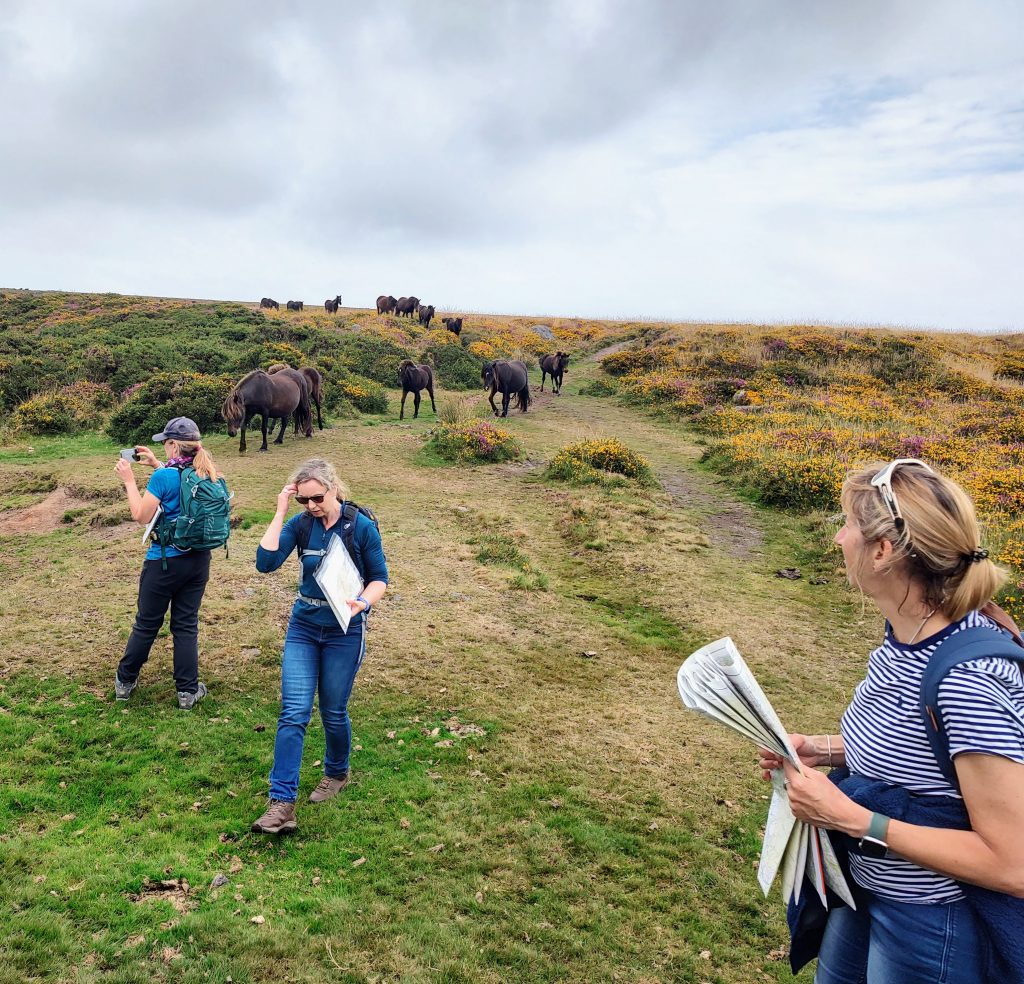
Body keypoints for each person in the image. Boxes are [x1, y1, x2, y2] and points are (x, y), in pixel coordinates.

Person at [758, 458, 1024, 983]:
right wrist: (826, 749)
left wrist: (852, 818)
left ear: (883, 551)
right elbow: (923, 751)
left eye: (848, 524)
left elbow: (1011, 862)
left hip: (931, 920)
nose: (838, 538)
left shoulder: (970, 682)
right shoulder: (909, 633)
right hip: (866, 887)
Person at [252, 457, 388, 835]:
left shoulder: (360, 526)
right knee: (294, 711)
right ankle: (281, 803)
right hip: (304, 627)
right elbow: (265, 563)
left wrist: (363, 602)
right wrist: (281, 512)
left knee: (332, 710)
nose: (311, 506)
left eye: (317, 498)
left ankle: (336, 772)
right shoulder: (301, 525)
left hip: (345, 630)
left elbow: (379, 578)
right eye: (303, 500)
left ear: (334, 490)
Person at [114, 416, 223, 710]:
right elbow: (182, 488)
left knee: (147, 624)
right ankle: (187, 692)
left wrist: (129, 481)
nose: (163, 448)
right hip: (199, 560)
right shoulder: (207, 472)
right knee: (186, 625)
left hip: (164, 562)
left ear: (174, 445)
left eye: (165, 443)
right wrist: (154, 465)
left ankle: (125, 682)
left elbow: (141, 515)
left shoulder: (164, 478)